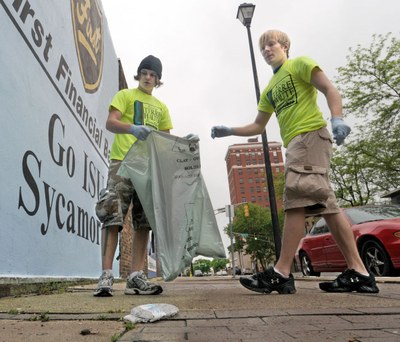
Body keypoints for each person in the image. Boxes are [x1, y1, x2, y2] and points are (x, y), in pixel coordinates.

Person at [211, 30, 379, 294]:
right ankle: (359, 272)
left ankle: (281, 272)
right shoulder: (269, 89)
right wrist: (230, 130)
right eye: (263, 47)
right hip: (296, 144)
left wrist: (337, 118)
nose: (267, 49)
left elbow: (328, 88)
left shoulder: (299, 64)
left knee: (295, 199)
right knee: (328, 207)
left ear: (285, 46)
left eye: (271, 44)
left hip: (309, 136)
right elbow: (258, 125)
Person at [94, 55, 173, 297]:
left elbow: (165, 140)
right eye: (145, 72)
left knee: (143, 222)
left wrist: (182, 146)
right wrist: (132, 129)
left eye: (153, 74)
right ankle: (106, 275)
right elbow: (111, 122)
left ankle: (136, 277)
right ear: (139, 74)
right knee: (112, 216)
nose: (148, 77)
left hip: (147, 169)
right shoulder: (126, 96)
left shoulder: (162, 108)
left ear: (158, 80)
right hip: (123, 163)